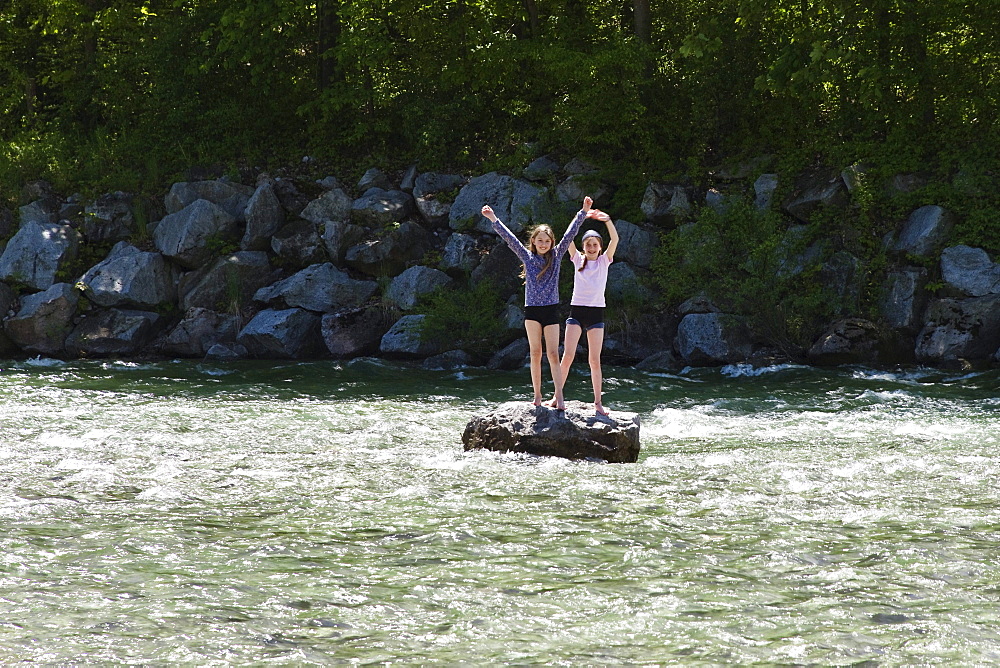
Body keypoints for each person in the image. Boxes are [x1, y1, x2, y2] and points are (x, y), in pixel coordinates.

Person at [480, 197, 597, 410]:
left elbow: (570, 233)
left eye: (547, 241)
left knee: (553, 353)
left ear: (551, 243)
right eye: (540, 240)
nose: (543, 244)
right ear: (534, 241)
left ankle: (559, 396)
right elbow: (510, 239)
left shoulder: (557, 255)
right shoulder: (527, 256)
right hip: (532, 311)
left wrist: (583, 212)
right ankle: (537, 396)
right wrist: (493, 219)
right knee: (535, 352)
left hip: (551, 310)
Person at [555, 212, 618, 415]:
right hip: (577, 311)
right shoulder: (577, 259)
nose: (591, 248)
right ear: (583, 247)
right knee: (568, 356)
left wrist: (607, 221)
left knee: (594, 360)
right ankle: (557, 396)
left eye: (595, 244)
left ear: (600, 247)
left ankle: (598, 402)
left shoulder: (604, 261)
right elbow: (567, 237)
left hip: (596, 314)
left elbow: (615, 239)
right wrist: (580, 217)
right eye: (588, 244)